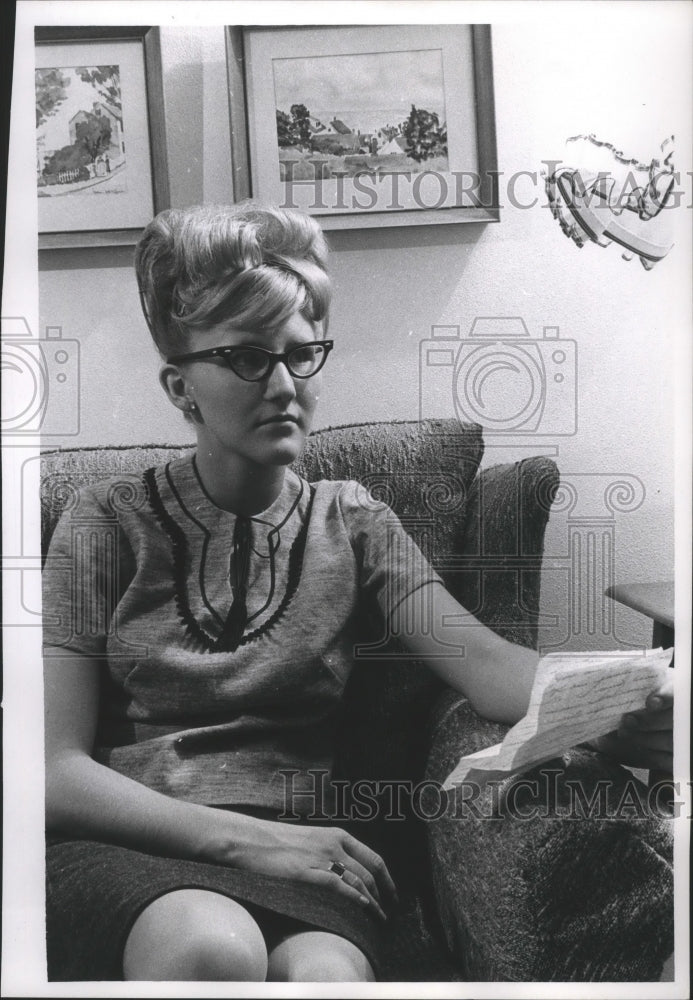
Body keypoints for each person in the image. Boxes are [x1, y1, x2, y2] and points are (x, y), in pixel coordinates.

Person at [42, 203, 674, 983]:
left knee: (328, 982)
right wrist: (242, 840)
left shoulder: (353, 520)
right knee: (211, 949)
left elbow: (487, 663)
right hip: (135, 848)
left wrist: (626, 703)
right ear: (180, 386)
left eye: (300, 356)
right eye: (245, 358)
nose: (282, 385)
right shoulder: (104, 520)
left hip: (311, 856)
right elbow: (52, 769)